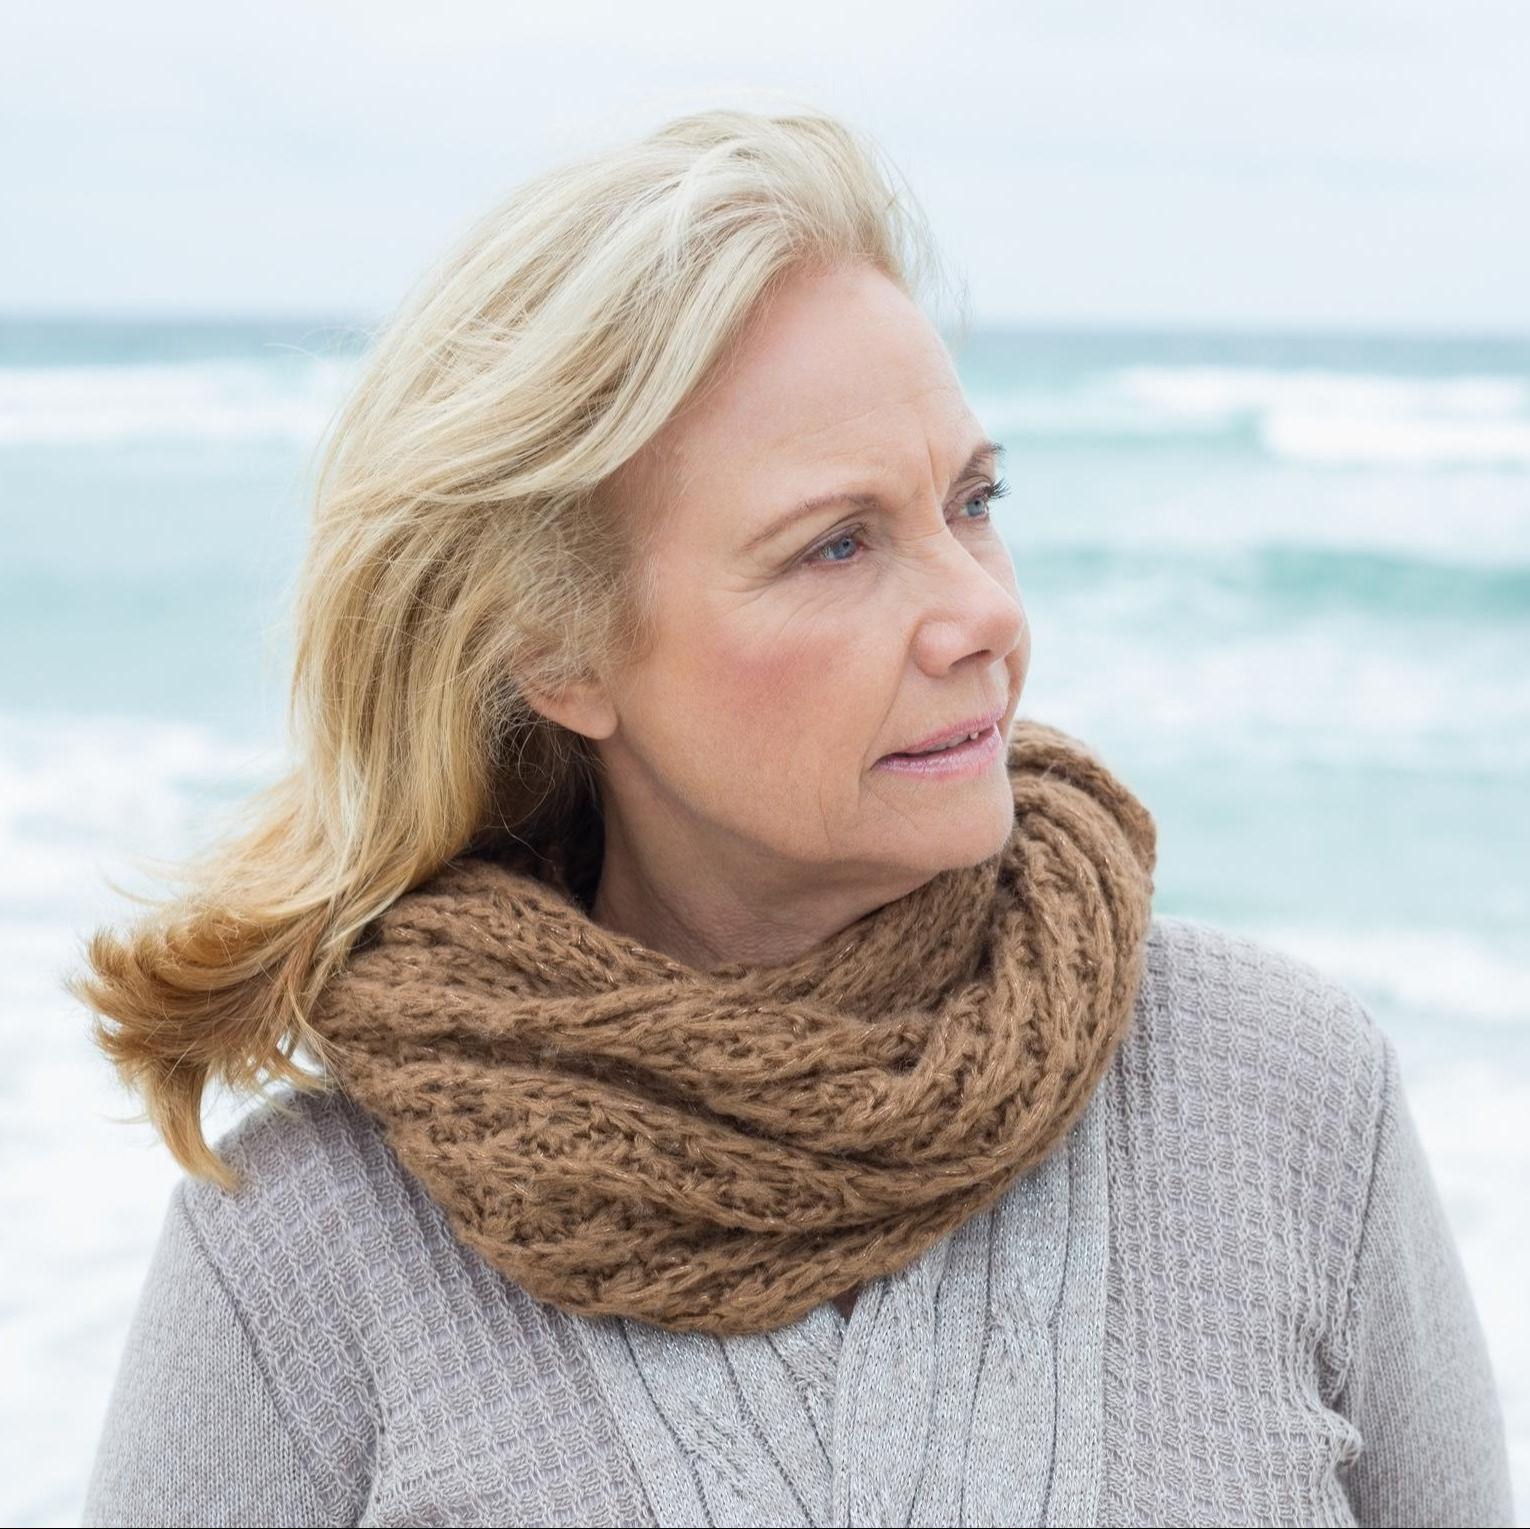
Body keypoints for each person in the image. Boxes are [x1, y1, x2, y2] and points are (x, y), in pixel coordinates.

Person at [70, 107, 1512, 1527]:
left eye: (974, 500)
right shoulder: (307, 1251)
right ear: (556, 651)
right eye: (836, 544)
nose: (983, 611)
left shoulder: (1283, 1097)